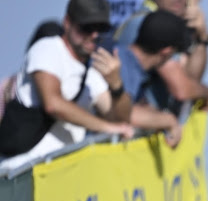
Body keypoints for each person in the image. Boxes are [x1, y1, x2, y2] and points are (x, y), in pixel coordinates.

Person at [0, 0, 134, 167]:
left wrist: (117, 86)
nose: (94, 35)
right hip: (23, 174)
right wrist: (105, 127)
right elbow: (53, 104)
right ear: (67, 23)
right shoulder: (47, 49)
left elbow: (121, 121)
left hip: (64, 176)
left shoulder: (91, 74)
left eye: (101, 29)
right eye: (86, 28)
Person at [114, 0, 208, 113]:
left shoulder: (174, 27)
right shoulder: (145, 21)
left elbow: (191, 80)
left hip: (147, 123)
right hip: (127, 121)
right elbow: (182, 89)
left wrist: (201, 38)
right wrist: (207, 92)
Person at [115, 9, 191, 147]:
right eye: (175, 54)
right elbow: (123, 113)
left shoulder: (130, 63)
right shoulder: (124, 66)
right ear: (166, 52)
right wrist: (169, 121)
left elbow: (139, 107)